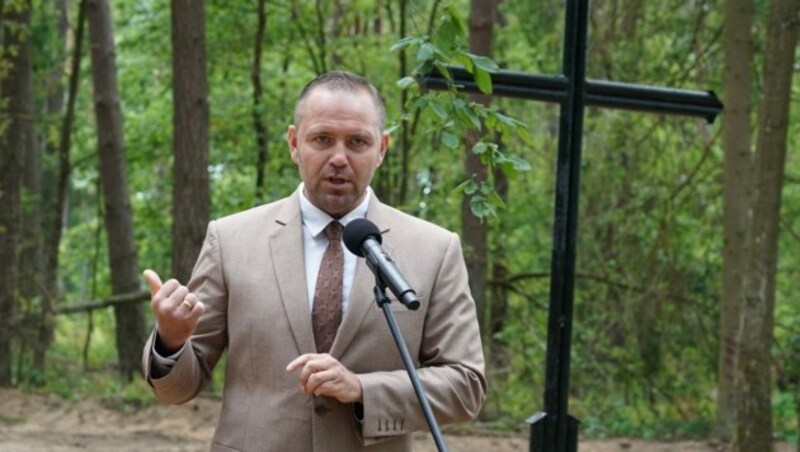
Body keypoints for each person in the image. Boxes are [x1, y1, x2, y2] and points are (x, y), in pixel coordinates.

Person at [141, 71, 486, 452]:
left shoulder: (434, 250)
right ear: (294, 143)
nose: (338, 157)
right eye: (322, 139)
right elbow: (179, 389)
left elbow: (466, 385)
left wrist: (362, 390)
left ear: (382, 148)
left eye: (357, 142)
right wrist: (171, 340)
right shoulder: (230, 240)